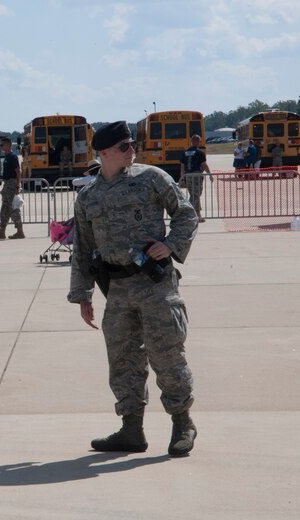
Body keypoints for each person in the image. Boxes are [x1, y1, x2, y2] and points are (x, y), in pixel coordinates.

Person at [68, 121, 199, 457]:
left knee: (167, 355)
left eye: (131, 145)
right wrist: (82, 296)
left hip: (155, 284)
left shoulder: (151, 178)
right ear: (105, 152)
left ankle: (182, 422)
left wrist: (170, 244)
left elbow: (186, 215)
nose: (132, 150)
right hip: (118, 289)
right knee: (123, 361)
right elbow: (82, 248)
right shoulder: (88, 197)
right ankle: (131, 430)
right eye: (124, 146)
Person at [0, 137, 24, 239]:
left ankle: (4, 231)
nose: (1, 147)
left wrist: (17, 186)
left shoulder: (12, 157)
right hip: (8, 184)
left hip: (11, 183)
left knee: (6, 208)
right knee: (12, 209)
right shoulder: (7, 156)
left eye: (2, 145)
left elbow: (18, 172)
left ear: (8, 145)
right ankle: (17, 231)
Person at [179, 134, 211, 223]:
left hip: (188, 176)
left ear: (191, 142)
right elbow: (204, 165)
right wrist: (210, 174)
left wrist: (182, 178)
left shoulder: (185, 153)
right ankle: (186, 214)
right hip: (196, 175)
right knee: (195, 195)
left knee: (194, 195)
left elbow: (182, 167)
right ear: (198, 142)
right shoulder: (200, 153)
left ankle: (198, 216)